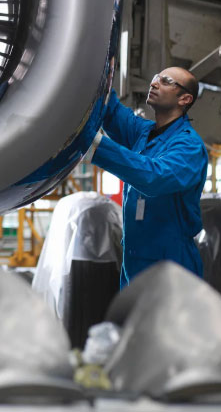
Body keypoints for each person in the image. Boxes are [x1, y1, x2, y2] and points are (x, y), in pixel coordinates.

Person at [89, 67, 208, 288]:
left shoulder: (190, 146)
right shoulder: (143, 132)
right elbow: (111, 112)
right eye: (155, 78)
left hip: (172, 267)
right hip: (134, 262)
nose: (154, 84)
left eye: (166, 81)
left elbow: (154, 177)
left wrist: (94, 146)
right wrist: (98, 72)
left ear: (185, 98)